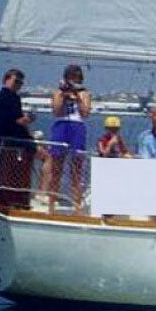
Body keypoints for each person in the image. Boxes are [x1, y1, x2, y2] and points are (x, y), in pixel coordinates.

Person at [0, 68, 37, 208]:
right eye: (16, 81)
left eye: (20, 82)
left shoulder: (12, 98)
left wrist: (27, 130)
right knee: (45, 157)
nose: (18, 84)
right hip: (8, 141)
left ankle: (27, 194)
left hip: (13, 140)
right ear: (6, 79)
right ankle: (17, 195)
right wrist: (26, 120)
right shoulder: (4, 98)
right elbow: (9, 122)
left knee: (40, 154)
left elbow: (17, 121)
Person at [48, 64, 92, 211]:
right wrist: (63, 95)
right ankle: (51, 204)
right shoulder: (58, 92)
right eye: (71, 78)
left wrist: (77, 97)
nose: (74, 81)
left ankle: (77, 205)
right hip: (61, 126)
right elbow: (56, 111)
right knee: (56, 168)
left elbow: (85, 113)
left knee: (76, 169)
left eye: (77, 79)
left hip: (77, 126)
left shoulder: (84, 93)